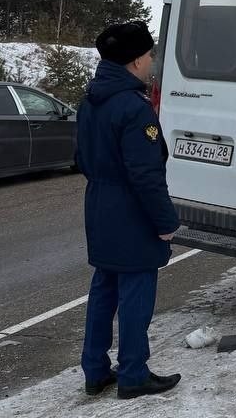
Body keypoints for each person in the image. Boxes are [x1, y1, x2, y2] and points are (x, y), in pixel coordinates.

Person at [76, 20, 182, 400]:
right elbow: (146, 175)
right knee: (136, 293)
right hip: (130, 211)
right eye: (150, 54)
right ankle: (134, 374)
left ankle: (95, 371)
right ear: (136, 61)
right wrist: (166, 222)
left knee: (104, 288)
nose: (153, 60)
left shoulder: (90, 99)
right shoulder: (133, 108)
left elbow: (80, 157)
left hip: (99, 204)